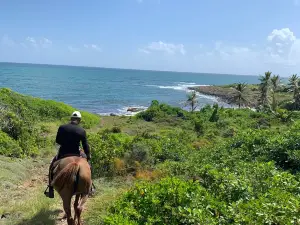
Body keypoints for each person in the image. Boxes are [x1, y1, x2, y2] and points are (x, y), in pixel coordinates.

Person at [44, 111, 94, 198]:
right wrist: (88, 155)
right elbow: (85, 145)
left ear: (71, 119)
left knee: (52, 165)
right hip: (76, 152)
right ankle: (90, 186)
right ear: (79, 120)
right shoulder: (82, 130)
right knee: (88, 166)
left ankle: (51, 188)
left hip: (63, 152)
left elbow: (58, 141)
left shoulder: (62, 127)